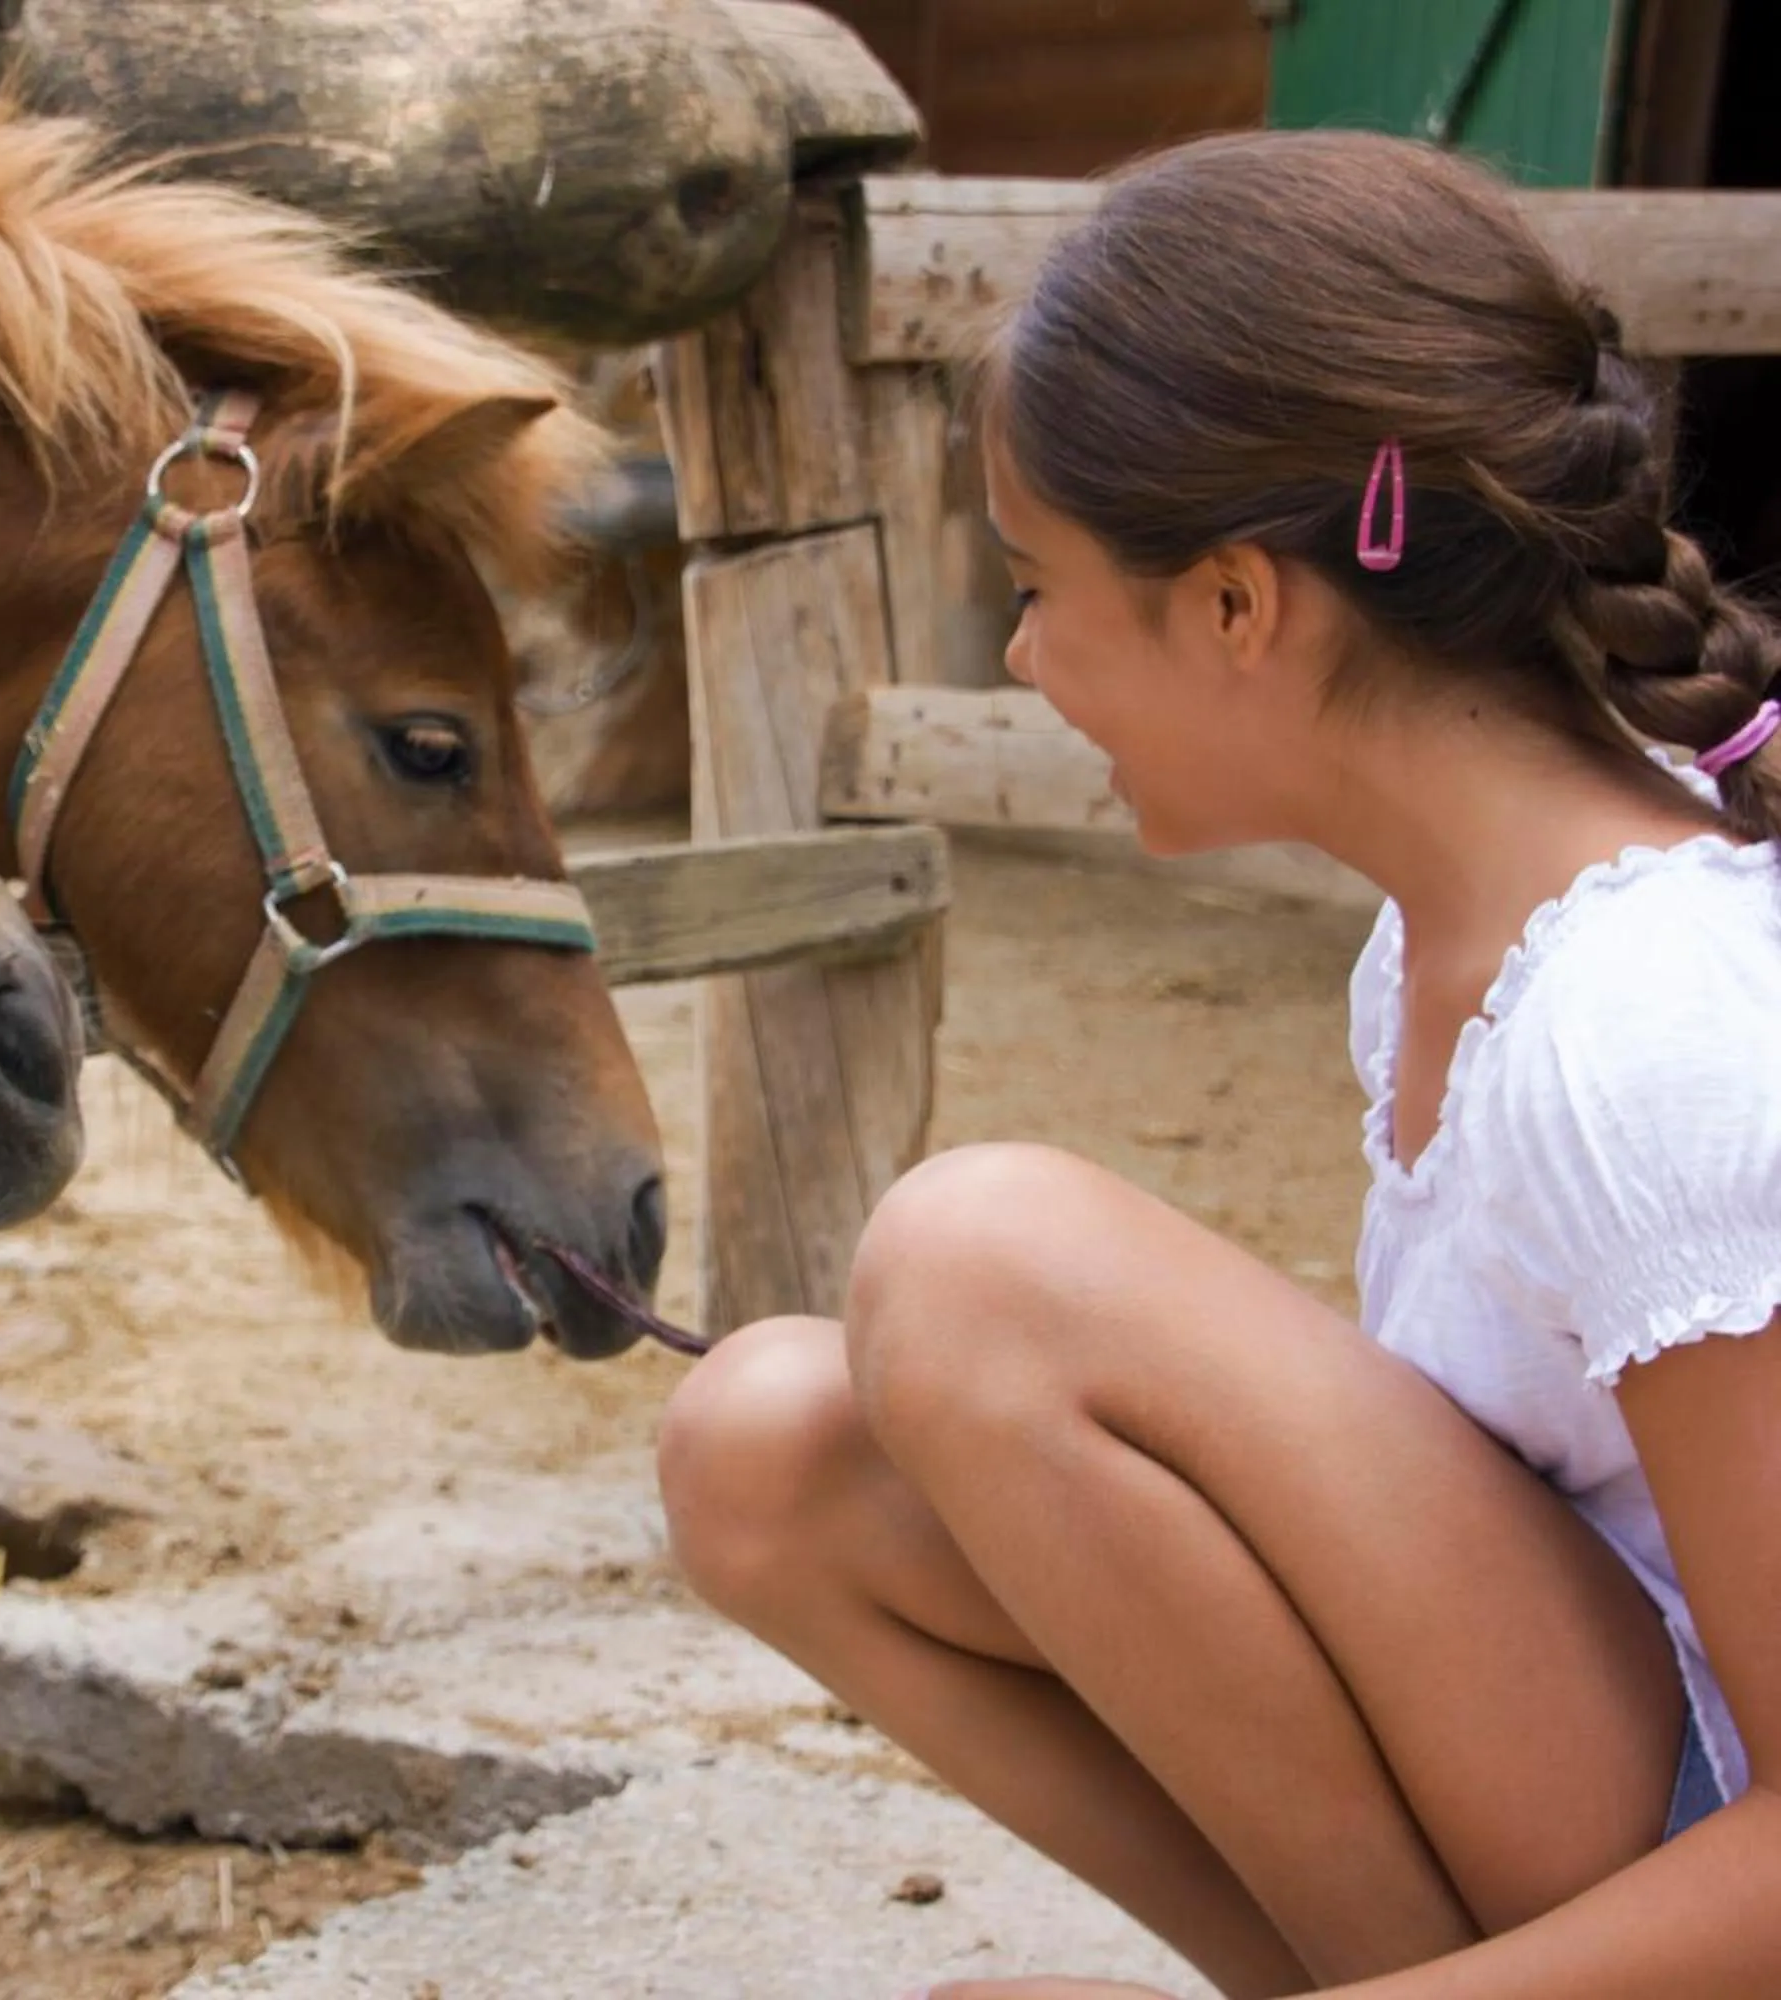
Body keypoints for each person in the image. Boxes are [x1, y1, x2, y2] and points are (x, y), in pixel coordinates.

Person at [656, 126, 1781, 1998]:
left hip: (1695, 1863)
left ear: (1241, 605)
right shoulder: (1435, 946)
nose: (1022, 655)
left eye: (1036, 584)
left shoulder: (1639, 1028)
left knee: (978, 1262)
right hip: (1570, 1786)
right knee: (767, 1447)